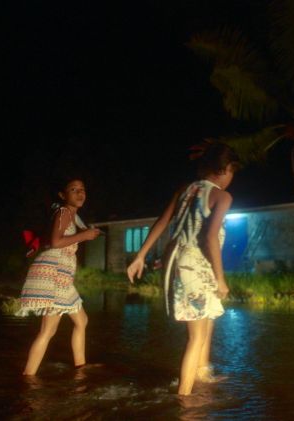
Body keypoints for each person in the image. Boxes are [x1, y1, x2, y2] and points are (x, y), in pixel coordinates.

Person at [127, 141, 240, 395]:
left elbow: (162, 221)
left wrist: (140, 256)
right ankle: (184, 398)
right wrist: (221, 279)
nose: (231, 178)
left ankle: (202, 374)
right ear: (224, 170)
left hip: (178, 262)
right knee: (196, 336)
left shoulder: (185, 190)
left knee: (207, 317)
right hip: (196, 266)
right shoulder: (222, 196)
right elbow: (210, 237)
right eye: (232, 172)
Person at [17, 178, 102, 376]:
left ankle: (80, 367)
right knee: (48, 331)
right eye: (73, 189)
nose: (79, 193)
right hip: (53, 276)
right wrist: (84, 236)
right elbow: (56, 242)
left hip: (62, 278)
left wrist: (87, 232)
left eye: (82, 189)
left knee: (82, 321)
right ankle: (27, 377)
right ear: (63, 195)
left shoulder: (73, 216)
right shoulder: (63, 212)